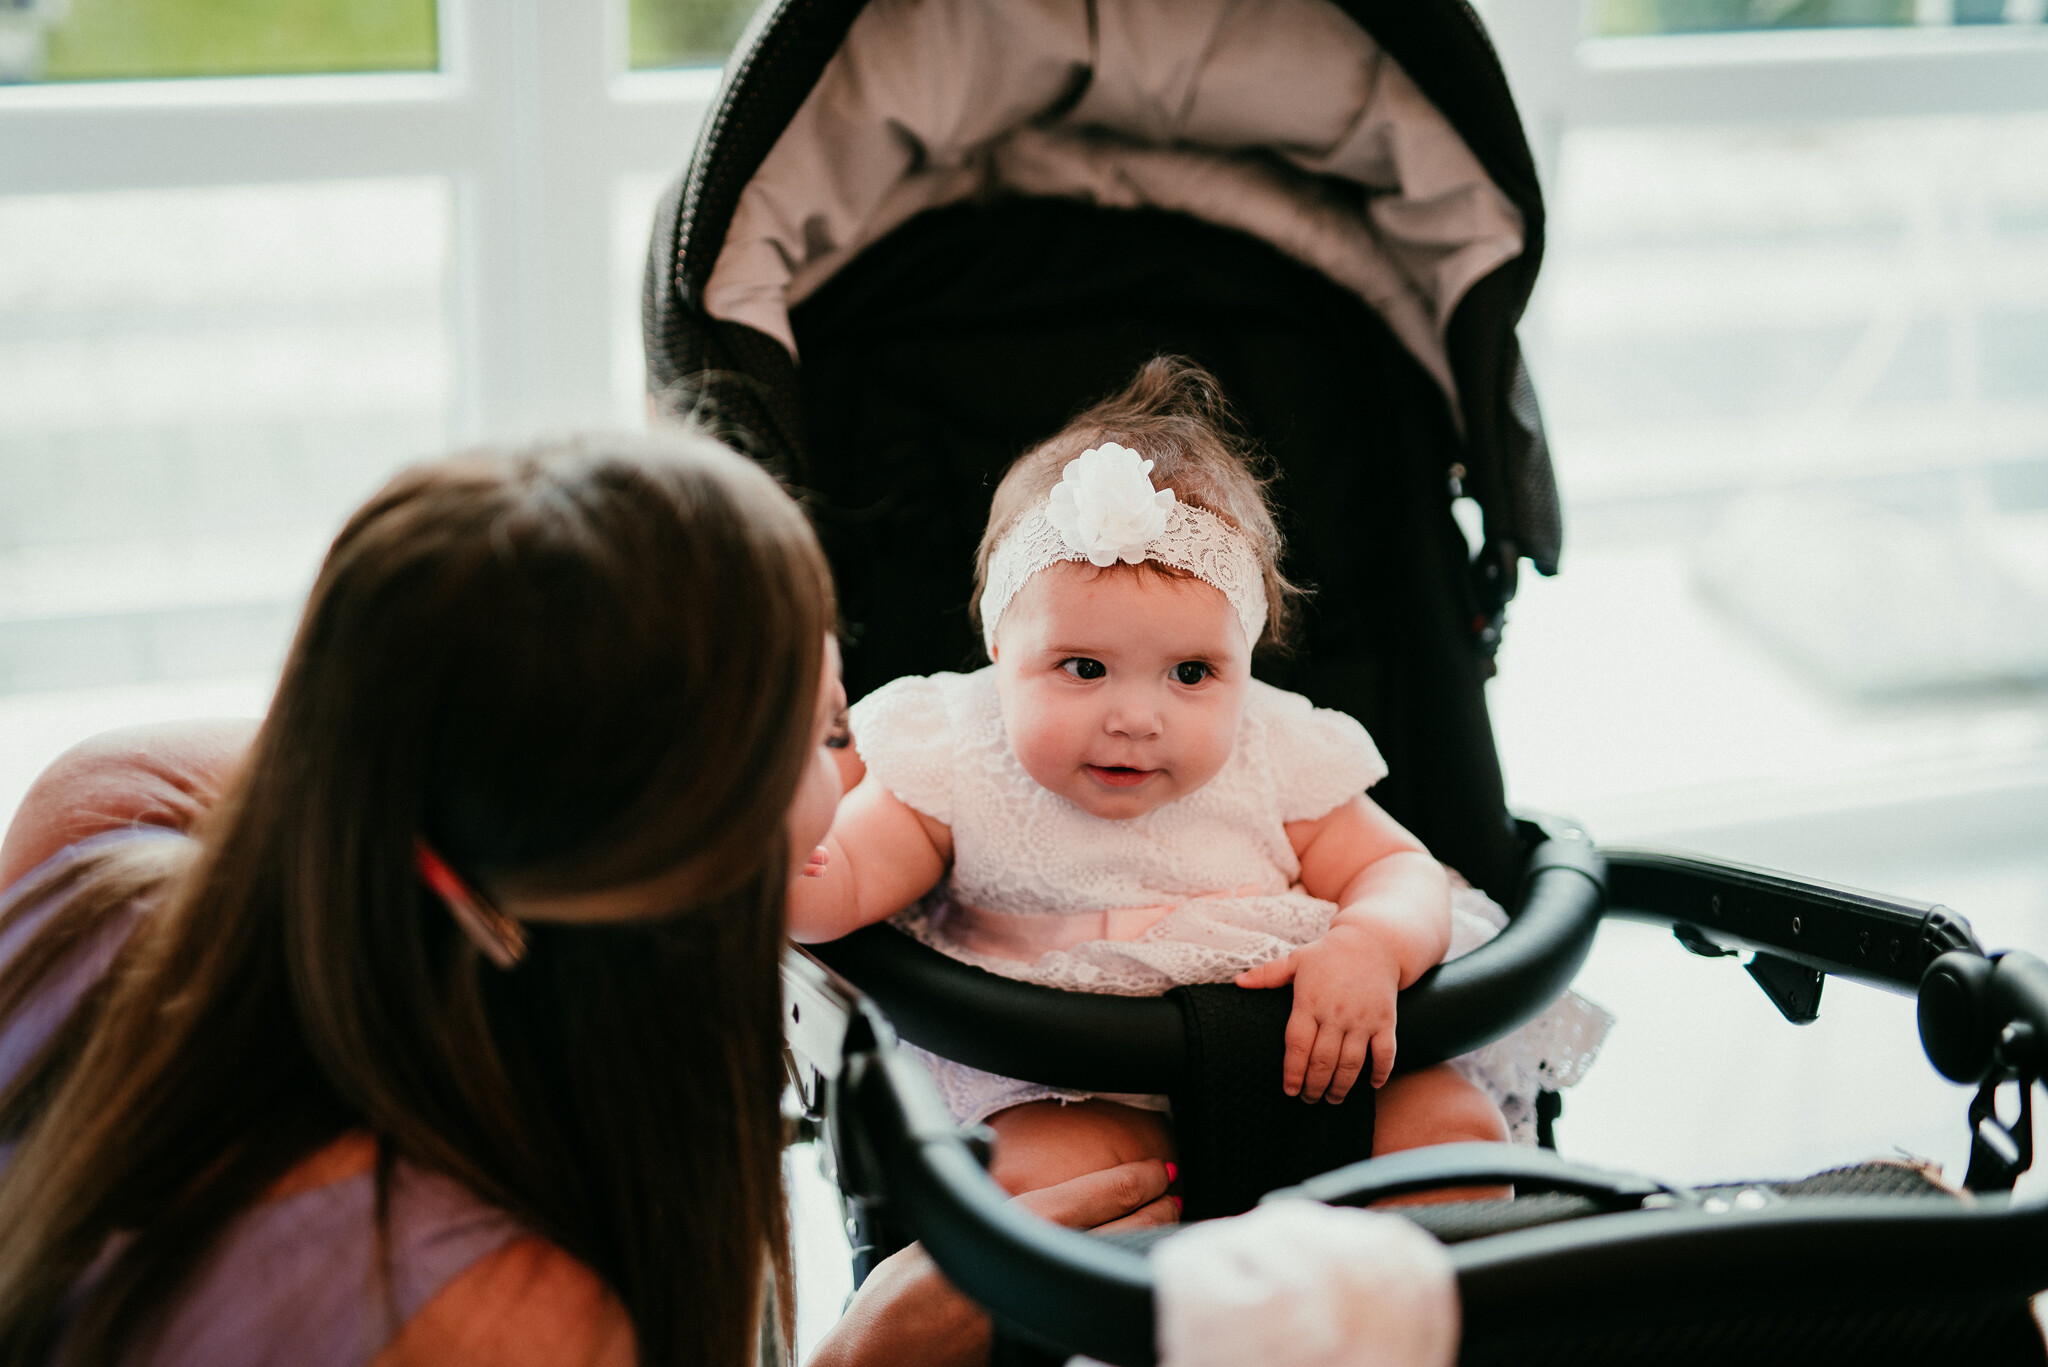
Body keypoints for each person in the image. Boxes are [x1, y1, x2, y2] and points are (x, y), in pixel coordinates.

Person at [0, 430, 1173, 1367]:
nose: (860, 771)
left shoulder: (100, 831)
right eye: (824, 734)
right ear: (657, 856)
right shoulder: (513, 1321)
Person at [787, 358, 1610, 1196]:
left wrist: (1369, 945)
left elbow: (1397, 868)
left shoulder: (1275, 748)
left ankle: (1392, 1279)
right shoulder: (954, 750)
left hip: (1304, 1076)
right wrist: (784, 862)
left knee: (1452, 1133)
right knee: (1022, 1177)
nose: (1135, 717)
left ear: (1246, 661)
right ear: (1000, 648)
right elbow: (848, 875)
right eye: (1083, 667)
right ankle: (1133, 1270)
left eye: (1190, 673)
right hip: (1061, 1082)